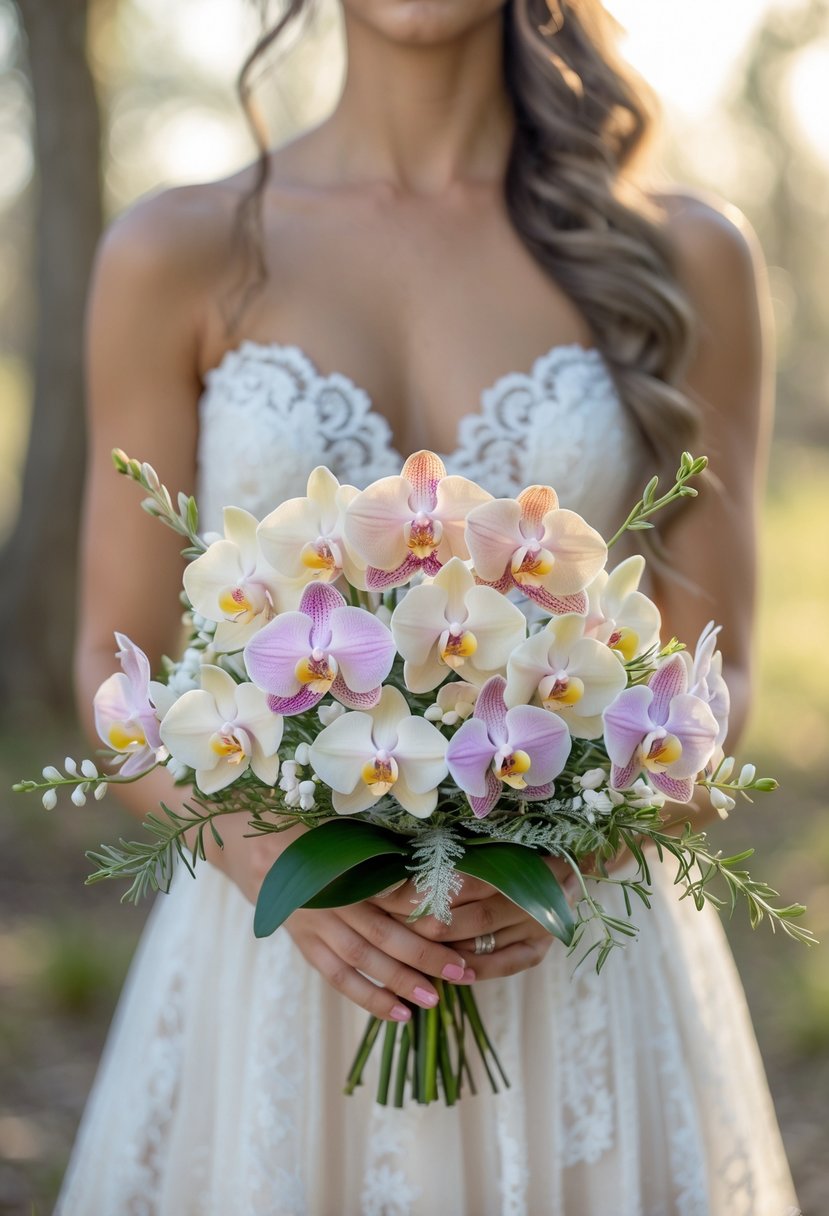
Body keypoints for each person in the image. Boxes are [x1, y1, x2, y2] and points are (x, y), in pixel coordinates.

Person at [57, 0, 799, 1211]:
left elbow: (722, 676)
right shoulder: (176, 248)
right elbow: (111, 649)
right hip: (282, 960)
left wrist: (576, 845)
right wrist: (264, 856)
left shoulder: (680, 256)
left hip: (567, 948)